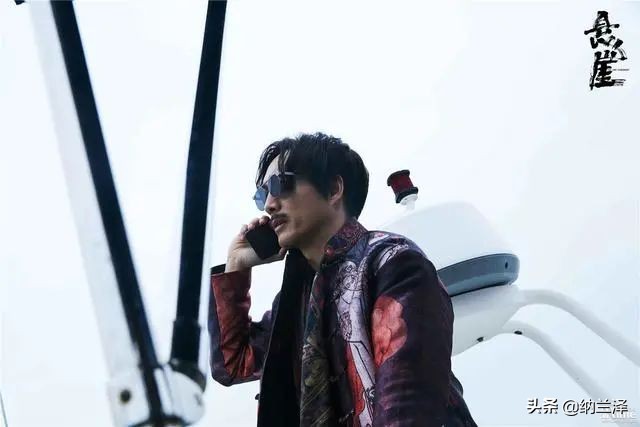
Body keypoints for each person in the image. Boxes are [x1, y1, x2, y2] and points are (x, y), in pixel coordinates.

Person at [208, 132, 478, 426]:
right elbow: (233, 364)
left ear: (334, 189)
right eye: (263, 195)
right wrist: (236, 265)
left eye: (280, 184)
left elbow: (405, 410)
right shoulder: (295, 303)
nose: (269, 204)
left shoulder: (392, 264)